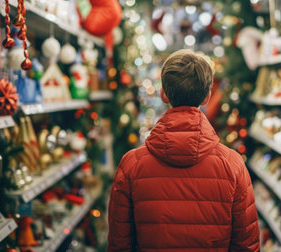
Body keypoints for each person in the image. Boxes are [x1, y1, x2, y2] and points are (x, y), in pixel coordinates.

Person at [108, 49, 260, 251]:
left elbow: (120, 245)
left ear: (163, 94)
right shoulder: (233, 164)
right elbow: (246, 246)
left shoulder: (131, 165)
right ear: (207, 96)